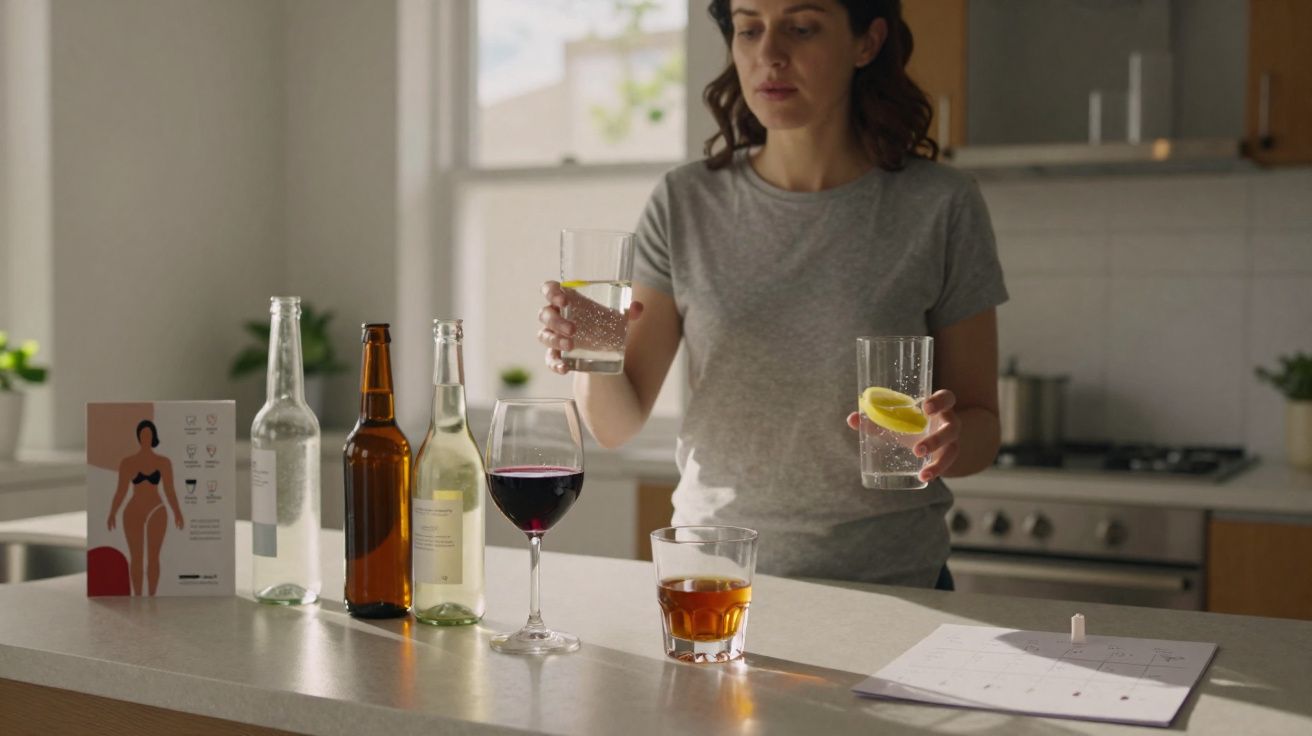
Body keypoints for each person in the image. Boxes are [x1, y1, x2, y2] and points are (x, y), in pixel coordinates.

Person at [537, 0, 1007, 588]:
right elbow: (615, 425)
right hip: (714, 579)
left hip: (891, 583)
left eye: (801, 28)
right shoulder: (685, 202)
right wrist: (592, 350)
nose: (769, 55)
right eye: (749, 29)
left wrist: (948, 440)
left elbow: (983, 425)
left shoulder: (941, 204)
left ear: (867, 42)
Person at [107, 419, 184, 596]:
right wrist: (112, 512)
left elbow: (170, 490)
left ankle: (151, 597)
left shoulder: (163, 462)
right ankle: (138, 596)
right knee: (136, 558)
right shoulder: (128, 462)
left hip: (156, 510)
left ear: (153, 437)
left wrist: (177, 512)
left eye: (149, 435)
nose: (145, 438)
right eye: (142, 435)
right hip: (133, 511)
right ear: (139, 438)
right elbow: (121, 491)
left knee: (153, 557)